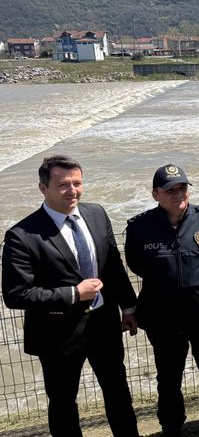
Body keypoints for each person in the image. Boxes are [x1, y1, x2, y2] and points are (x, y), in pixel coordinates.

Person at [2, 155, 139, 437]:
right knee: (64, 403)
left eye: (77, 183)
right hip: (58, 334)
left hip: (104, 324)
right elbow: (16, 295)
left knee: (118, 393)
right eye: (63, 184)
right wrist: (74, 294)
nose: (72, 190)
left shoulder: (97, 214)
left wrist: (128, 307)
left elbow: (112, 266)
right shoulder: (21, 235)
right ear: (43, 188)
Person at [124, 164, 199, 436]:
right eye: (170, 190)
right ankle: (171, 423)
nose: (178, 194)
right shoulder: (140, 228)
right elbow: (136, 265)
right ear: (156, 195)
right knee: (168, 375)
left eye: (183, 188)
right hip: (162, 318)